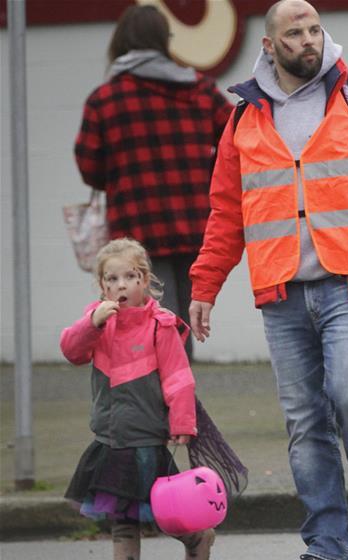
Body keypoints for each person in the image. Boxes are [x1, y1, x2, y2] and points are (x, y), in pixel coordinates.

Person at [188, 0, 348, 560]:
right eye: (294, 32)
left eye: (315, 29)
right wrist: (205, 285)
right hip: (282, 290)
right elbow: (226, 212)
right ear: (269, 46)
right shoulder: (244, 117)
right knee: (304, 422)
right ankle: (328, 546)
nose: (309, 39)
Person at [74, 4, 233, 359]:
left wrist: (122, 174)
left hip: (137, 234)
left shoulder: (105, 100)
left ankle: (159, 408)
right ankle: (180, 400)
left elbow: (89, 167)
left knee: (147, 325)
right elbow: (237, 143)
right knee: (181, 324)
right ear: (165, 40)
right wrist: (204, 176)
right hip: (195, 227)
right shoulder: (202, 91)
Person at [60, 238, 214, 560]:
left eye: (129, 277)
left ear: (145, 281)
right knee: (119, 507)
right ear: (102, 286)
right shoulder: (98, 321)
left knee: (160, 507)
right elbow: (71, 350)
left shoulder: (160, 324)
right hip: (111, 434)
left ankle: (195, 536)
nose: (121, 286)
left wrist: (182, 423)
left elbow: (178, 378)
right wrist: (91, 323)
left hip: (146, 434)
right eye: (111, 280)